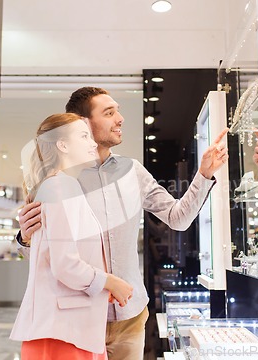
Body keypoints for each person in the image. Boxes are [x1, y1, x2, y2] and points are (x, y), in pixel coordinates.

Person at [17, 87, 229, 360]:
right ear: (81, 121)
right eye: (109, 113)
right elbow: (44, 256)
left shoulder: (133, 171)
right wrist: (24, 238)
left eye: (117, 110)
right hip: (76, 318)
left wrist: (204, 174)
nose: (120, 118)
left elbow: (178, 218)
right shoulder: (59, 179)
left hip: (130, 315)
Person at [10, 113, 133, 360]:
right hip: (64, 333)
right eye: (84, 135)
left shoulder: (61, 185)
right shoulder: (60, 186)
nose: (92, 143)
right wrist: (110, 281)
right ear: (63, 145)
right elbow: (65, 264)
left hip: (68, 328)